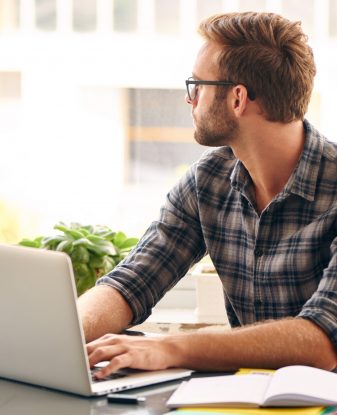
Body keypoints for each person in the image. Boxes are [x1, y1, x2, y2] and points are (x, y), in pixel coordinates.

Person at [79, 11, 337, 379]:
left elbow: (322, 341)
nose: (190, 100)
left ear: (237, 98)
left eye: (197, 85)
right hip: (248, 398)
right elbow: (132, 281)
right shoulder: (209, 179)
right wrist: (61, 335)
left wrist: (167, 349)